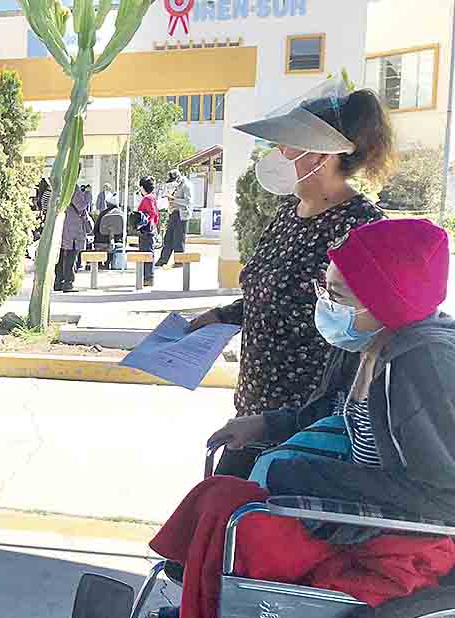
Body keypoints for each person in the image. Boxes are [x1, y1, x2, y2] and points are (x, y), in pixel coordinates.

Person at [151, 219, 455, 618]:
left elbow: (442, 495)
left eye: (338, 294)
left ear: (385, 299)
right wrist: (265, 424)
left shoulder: (422, 363)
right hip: (359, 511)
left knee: (235, 513)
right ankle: (199, 597)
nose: (326, 303)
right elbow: (329, 410)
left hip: (400, 534)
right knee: (220, 494)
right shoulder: (366, 342)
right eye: (325, 288)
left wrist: (303, 478)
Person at [187, 87, 395, 477]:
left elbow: (371, 326)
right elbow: (269, 290)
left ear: (322, 155)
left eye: (288, 145)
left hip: (308, 422)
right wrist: (219, 316)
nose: (279, 154)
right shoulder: (288, 212)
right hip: (254, 407)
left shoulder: (362, 226)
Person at [54, 184, 93, 293]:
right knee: (71, 254)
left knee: (61, 254)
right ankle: (68, 283)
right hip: (73, 226)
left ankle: (58, 282)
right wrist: (88, 194)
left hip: (61, 223)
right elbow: (81, 206)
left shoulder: (59, 185)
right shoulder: (72, 186)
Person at [154, 169, 192, 267]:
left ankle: (179, 261)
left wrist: (173, 200)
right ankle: (163, 260)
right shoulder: (176, 186)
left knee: (178, 239)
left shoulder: (186, 185)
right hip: (173, 213)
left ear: (178, 177)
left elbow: (188, 202)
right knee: (168, 238)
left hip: (181, 215)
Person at [135, 176, 159, 286]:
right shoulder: (152, 197)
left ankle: (148, 277)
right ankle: (148, 277)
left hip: (146, 230)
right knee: (149, 253)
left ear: (142, 187)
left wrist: (145, 223)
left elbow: (152, 213)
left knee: (146, 253)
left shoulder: (147, 198)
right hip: (151, 229)